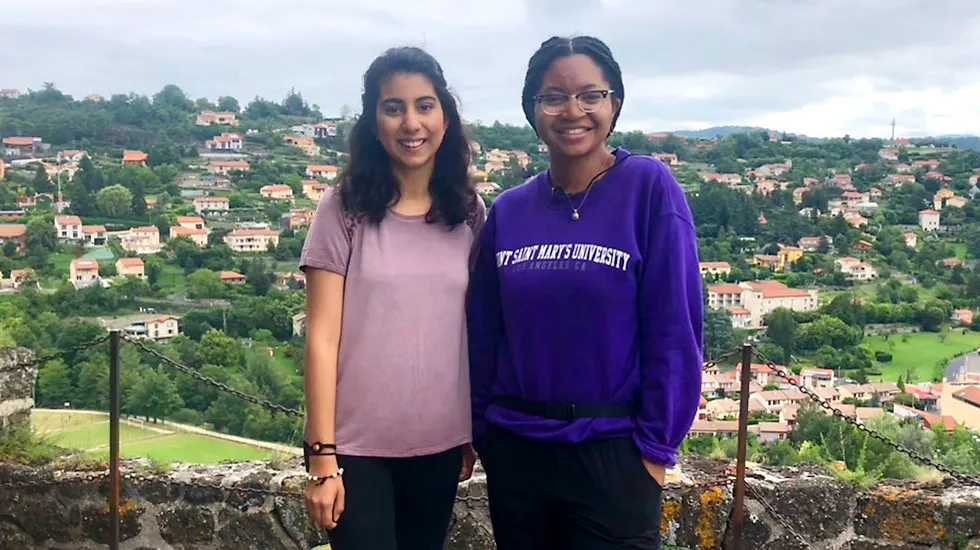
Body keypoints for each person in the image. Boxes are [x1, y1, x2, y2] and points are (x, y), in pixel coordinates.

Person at [467, 35, 704, 549]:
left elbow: (674, 328)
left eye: (590, 95)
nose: (573, 110)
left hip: (612, 452)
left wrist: (654, 451)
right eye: (553, 96)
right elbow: (483, 334)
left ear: (614, 103)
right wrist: (483, 430)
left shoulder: (648, 188)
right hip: (518, 451)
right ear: (532, 110)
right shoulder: (509, 211)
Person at [299, 46, 484, 550]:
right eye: (393, 107)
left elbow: (470, 328)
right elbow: (321, 336)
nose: (411, 123)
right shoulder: (344, 208)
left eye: (425, 105)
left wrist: (469, 431)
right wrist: (321, 457)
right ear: (373, 120)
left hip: (441, 445)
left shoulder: (468, 212)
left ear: (445, 115)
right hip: (356, 450)